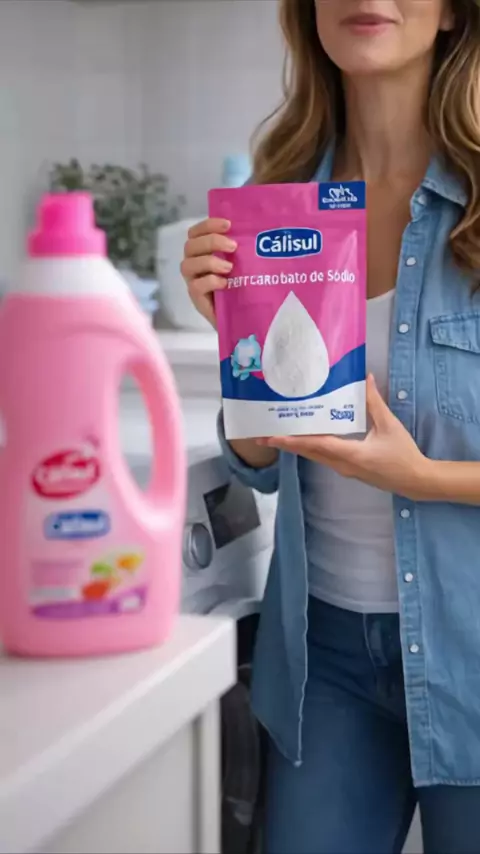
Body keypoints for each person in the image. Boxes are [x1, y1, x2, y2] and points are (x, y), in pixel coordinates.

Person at [180, 1, 480, 851]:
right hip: (324, 660)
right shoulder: (272, 203)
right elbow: (262, 458)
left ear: (453, 12)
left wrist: (418, 477)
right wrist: (237, 349)